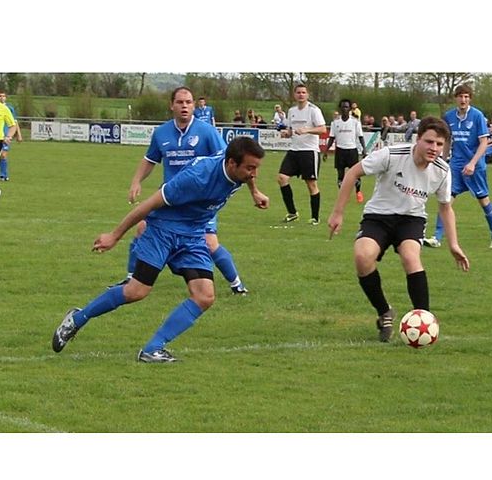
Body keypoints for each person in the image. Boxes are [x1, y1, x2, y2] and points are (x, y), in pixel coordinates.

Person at [51, 137, 268, 363]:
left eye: (256, 168)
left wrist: (255, 192)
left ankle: (152, 349)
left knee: (204, 296)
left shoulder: (237, 170)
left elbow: (247, 177)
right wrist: (114, 235)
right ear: (232, 163)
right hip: (162, 231)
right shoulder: (196, 178)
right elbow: (149, 204)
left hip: (193, 235)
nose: (254, 174)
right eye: (250, 168)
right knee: (136, 291)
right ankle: (77, 319)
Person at [327, 117, 470, 342]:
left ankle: (425, 318)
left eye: (440, 144)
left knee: (411, 257)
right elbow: (352, 173)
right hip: (378, 216)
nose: (434, 148)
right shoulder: (392, 155)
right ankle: (384, 312)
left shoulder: (442, 170)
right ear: (418, 139)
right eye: (429, 142)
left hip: (411, 220)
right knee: (362, 257)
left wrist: (453, 244)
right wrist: (338, 213)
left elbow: (445, 207)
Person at [115, 87, 264, 296]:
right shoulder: (161, 133)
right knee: (141, 229)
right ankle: (131, 280)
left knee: (210, 243)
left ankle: (236, 284)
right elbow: (150, 160)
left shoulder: (208, 132)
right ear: (172, 105)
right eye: (180, 102)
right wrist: (136, 182)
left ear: (194, 105)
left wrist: (254, 192)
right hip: (170, 199)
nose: (185, 106)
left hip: (202, 200)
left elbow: (237, 163)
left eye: (189, 102)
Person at [424, 84, 492, 250]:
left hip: (475, 166)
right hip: (456, 166)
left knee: (484, 201)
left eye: (466, 96)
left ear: (470, 99)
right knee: (445, 200)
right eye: (460, 96)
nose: (463, 99)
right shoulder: (449, 117)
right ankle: (436, 237)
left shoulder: (477, 116)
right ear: (456, 98)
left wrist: (473, 163)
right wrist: (443, 161)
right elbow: (447, 141)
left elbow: (483, 143)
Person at [277, 83, 327, 225]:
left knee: (311, 184)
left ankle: (315, 218)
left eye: (303, 92)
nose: (301, 95)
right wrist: (287, 133)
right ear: (294, 94)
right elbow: (291, 130)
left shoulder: (313, 110)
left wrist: (307, 130)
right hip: (294, 150)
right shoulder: (292, 110)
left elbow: (323, 129)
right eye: (298, 92)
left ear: (307, 94)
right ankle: (292, 213)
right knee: (282, 178)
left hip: (309, 151)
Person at [325, 99, 367, 203]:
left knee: (356, 174)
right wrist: (326, 151)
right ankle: (343, 195)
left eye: (346, 107)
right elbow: (331, 138)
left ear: (349, 109)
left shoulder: (355, 122)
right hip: (340, 151)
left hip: (352, 151)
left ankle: (358, 192)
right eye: (343, 107)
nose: (345, 109)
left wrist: (364, 150)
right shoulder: (335, 123)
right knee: (340, 175)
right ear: (340, 108)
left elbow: (360, 136)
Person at [0, 91, 21, 182]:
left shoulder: (6, 109)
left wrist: (10, 136)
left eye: (3, 96)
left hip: (0, 139)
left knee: (3, 155)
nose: (1, 98)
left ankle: (3, 175)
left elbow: (14, 123)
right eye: (0, 96)